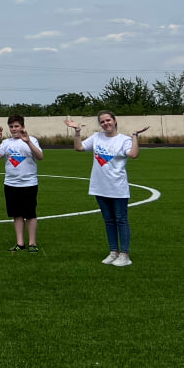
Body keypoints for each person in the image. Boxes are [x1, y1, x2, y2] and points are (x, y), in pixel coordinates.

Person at [65, 111, 150, 267]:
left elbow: (133, 154)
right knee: (109, 221)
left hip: (118, 187)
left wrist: (135, 136)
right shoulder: (97, 137)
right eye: (102, 121)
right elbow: (79, 148)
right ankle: (113, 252)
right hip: (99, 186)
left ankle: (125, 255)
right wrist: (77, 132)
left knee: (121, 220)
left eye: (108, 120)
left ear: (115, 120)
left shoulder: (124, 140)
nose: (106, 123)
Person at [0, 114, 43, 252]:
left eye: (16, 126)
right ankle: (20, 243)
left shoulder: (32, 140)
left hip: (29, 183)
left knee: (30, 214)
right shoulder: (6, 143)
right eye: (11, 127)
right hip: (11, 183)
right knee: (17, 214)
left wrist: (28, 142)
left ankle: (32, 243)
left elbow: (40, 156)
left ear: (23, 127)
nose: (14, 129)